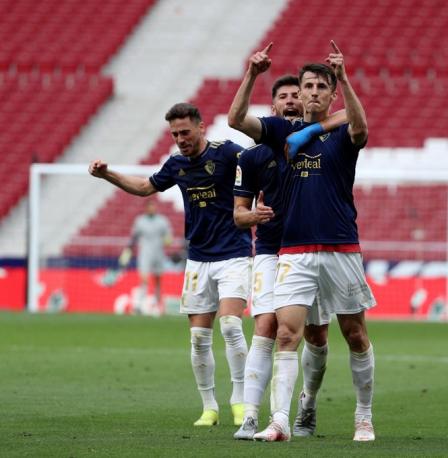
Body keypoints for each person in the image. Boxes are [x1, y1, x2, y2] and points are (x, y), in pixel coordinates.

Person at [229, 41, 377, 442]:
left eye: (319, 87)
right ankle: (279, 420)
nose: (311, 92)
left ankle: (363, 415)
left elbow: (360, 125)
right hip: (293, 250)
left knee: (355, 334)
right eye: (307, 86)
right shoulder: (281, 131)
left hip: (340, 247)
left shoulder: (342, 134)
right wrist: (252, 74)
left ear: (331, 93)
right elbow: (236, 118)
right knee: (286, 334)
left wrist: (344, 79)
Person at [89, 102, 252, 428]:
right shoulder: (176, 164)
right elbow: (144, 187)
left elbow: (260, 168)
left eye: (185, 132)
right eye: (175, 134)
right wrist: (108, 174)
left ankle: (240, 400)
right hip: (198, 259)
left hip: (234, 254)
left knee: (231, 326)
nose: (180, 139)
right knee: (198, 339)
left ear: (201, 127)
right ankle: (209, 407)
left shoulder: (228, 153)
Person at [231, 74, 344, 439]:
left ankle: (307, 403)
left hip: (312, 246)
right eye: (285, 96)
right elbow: (238, 215)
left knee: (317, 334)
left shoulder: (322, 145)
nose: (294, 100)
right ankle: (251, 415)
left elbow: (354, 118)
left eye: (299, 94)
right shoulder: (252, 157)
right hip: (270, 249)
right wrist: (254, 216)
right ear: (274, 106)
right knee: (266, 327)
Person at [124, 199, 172, 315]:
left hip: (159, 254)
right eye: (149, 207)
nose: (152, 209)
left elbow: (168, 237)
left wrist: (168, 241)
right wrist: (128, 251)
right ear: (146, 208)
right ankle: (138, 306)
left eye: (153, 207)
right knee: (143, 279)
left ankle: (157, 306)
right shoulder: (140, 221)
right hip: (145, 253)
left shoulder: (162, 221)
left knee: (158, 281)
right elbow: (134, 237)